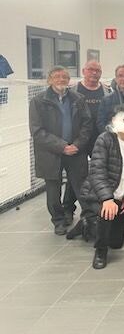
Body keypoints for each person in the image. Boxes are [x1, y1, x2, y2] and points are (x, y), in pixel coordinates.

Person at [29, 66, 93, 236]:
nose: (61, 80)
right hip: (51, 153)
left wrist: (77, 145)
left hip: (76, 151)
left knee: (81, 187)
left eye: (65, 77)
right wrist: (62, 146)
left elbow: (87, 125)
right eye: (57, 77)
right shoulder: (38, 101)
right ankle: (58, 221)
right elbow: (37, 131)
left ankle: (89, 219)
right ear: (49, 80)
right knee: (53, 190)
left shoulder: (78, 99)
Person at [80, 105, 124, 269]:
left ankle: (91, 224)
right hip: (98, 195)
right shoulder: (105, 139)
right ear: (113, 121)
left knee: (117, 243)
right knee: (106, 213)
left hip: (120, 195)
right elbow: (97, 171)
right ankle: (100, 251)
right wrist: (107, 199)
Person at [67, 60, 111, 225]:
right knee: (76, 176)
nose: (94, 73)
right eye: (91, 70)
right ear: (83, 71)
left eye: (97, 70)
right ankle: (68, 210)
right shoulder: (73, 90)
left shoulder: (107, 90)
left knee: (103, 173)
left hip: (100, 139)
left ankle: (100, 207)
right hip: (78, 141)